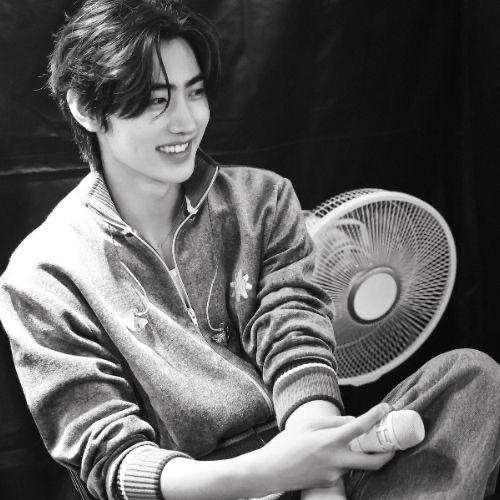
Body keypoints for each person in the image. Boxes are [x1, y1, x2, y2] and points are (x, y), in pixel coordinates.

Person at [0, 1, 498, 499]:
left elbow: (295, 336)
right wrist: (271, 473)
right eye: (157, 101)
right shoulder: (43, 275)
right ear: (87, 109)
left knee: (469, 381)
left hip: (303, 450)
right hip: (201, 487)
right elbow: (112, 462)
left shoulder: (262, 200)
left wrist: (321, 478)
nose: (187, 121)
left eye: (195, 92)